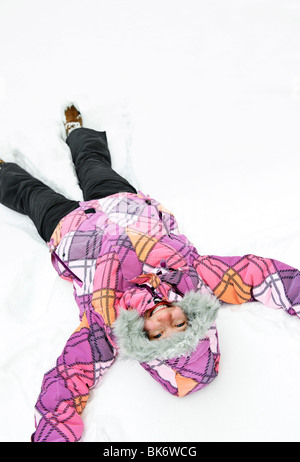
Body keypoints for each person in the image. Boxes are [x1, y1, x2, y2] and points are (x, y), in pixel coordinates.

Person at [0, 104, 299, 443]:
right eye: (180, 324)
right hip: (121, 202)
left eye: (157, 335)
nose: (164, 319)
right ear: (194, 318)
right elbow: (262, 275)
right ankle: (77, 132)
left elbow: (68, 380)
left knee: (30, 195)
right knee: (93, 165)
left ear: (142, 343)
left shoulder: (106, 325)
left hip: (68, 230)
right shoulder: (197, 279)